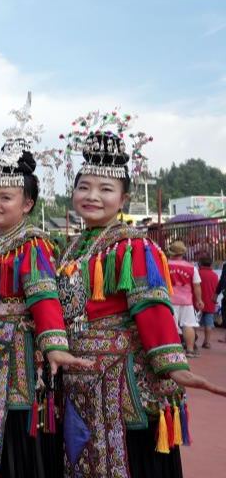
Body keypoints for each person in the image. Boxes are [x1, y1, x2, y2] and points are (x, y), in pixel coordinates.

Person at [57, 110, 226, 478]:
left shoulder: (133, 246)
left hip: (119, 381)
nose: (92, 196)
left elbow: (151, 307)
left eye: (105, 189)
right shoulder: (72, 250)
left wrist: (174, 366)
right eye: (83, 187)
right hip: (80, 379)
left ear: (124, 199)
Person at [0, 98, 90, 478]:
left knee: (13, 444)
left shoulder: (31, 243)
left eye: (5, 197)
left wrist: (54, 344)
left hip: (16, 362)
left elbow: (43, 297)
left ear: (28, 202)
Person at [166, 240, 202, 357]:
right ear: (183, 253)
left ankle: (173, 351)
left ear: (170, 252)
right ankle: (190, 350)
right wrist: (199, 300)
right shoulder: (192, 267)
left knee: (171, 325)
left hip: (169, 299)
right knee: (188, 325)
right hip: (187, 301)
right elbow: (197, 285)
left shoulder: (165, 264)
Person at [196, 256, 218, 349]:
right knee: (209, 324)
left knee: (194, 323)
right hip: (210, 302)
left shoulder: (198, 273)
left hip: (198, 302)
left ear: (200, 263)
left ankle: (192, 341)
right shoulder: (215, 275)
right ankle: (207, 342)